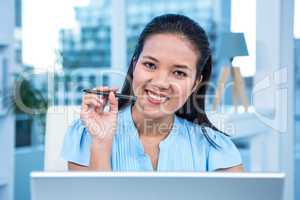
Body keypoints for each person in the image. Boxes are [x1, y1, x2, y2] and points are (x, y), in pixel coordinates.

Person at [61, 14, 243, 172]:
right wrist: (101, 145)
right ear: (134, 65)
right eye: (150, 65)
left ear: (195, 83)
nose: (160, 82)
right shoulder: (87, 134)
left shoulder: (216, 147)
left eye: (179, 73)